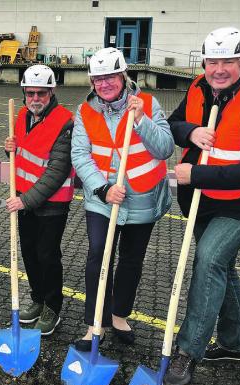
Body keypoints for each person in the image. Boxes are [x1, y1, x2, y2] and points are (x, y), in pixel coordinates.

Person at [163, 27, 240, 385]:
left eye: (228, 61)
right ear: (204, 62)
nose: (219, 69)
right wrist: (192, 133)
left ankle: (188, 352)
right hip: (205, 200)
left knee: (210, 259)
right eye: (213, 61)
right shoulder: (198, 87)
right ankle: (235, 344)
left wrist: (194, 173)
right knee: (222, 267)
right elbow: (172, 125)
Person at [71, 47, 174, 351]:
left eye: (110, 77)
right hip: (103, 199)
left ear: (123, 76)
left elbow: (165, 148)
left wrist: (142, 121)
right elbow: (80, 154)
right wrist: (102, 189)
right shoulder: (85, 111)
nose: (104, 84)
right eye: (98, 79)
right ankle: (94, 324)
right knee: (98, 255)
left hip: (143, 198)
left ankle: (118, 316)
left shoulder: (149, 104)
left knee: (131, 260)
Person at [3, 65, 74, 336]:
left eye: (41, 94)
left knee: (48, 255)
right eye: (30, 93)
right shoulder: (20, 115)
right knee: (30, 254)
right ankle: (37, 299)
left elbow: (56, 171)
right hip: (24, 199)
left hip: (51, 203)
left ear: (51, 92)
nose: (35, 99)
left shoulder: (65, 122)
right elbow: (22, 156)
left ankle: (52, 307)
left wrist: (25, 201)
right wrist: (9, 148)